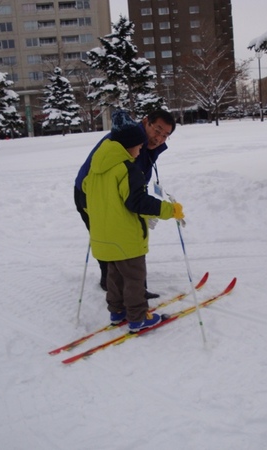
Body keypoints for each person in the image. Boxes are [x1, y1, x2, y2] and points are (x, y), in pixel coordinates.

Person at [82, 109, 185, 331]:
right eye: (138, 147)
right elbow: (136, 201)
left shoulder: (98, 167)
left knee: (115, 277)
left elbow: (88, 192)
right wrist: (168, 210)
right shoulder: (127, 169)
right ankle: (138, 316)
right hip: (127, 238)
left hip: (105, 236)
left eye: (165, 135)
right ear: (129, 146)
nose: (140, 152)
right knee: (134, 278)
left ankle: (117, 312)